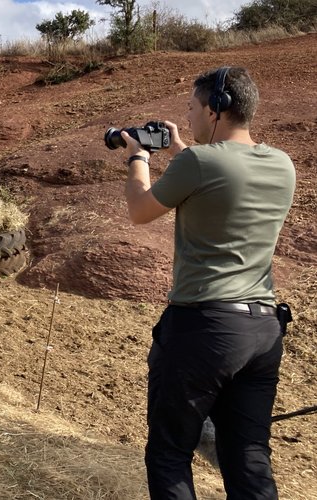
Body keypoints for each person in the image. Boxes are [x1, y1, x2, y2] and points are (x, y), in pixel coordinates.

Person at [117, 66, 295, 499]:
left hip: (203, 329)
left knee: (169, 452)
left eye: (193, 108)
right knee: (248, 453)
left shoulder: (200, 162)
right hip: (262, 330)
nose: (190, 117)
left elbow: (140, 211)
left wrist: (138, 156)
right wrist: (181, 146)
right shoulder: (281, 164)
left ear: (217, 108)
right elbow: (221, 175)